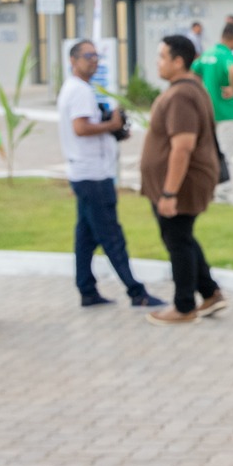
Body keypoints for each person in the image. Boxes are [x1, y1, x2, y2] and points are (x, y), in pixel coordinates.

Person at [57, 40, 165, 310]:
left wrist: (111, 129)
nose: (94, 60)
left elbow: (86, 126)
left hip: (85, 172)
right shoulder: (80, 91)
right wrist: (112, 124)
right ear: (73, 60)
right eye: (88, 56)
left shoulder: (76, 89)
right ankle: (135, 291)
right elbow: (81, 128)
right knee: (111, 236)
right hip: (93, 175)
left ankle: (87, 289)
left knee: (85, 236)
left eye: (96, 56)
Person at [140, 35, 226, 325]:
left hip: (182, 184)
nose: (158, 63)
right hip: (183, 182)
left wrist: (168, 193)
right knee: (182, 237)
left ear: (179, 61)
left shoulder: (181, 94)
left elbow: (183, 145)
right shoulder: (188, 89)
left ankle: (184, 306)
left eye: (162, 57)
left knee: (177, 241)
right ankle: (210, 292)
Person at [193, 23, 233, 193]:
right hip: (228, 111)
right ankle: (223, 189)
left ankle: (210, 186)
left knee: (211, 151)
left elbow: (193, 70)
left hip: (210, 111)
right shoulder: (226, 54)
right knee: (226, 153)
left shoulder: (208, 53)